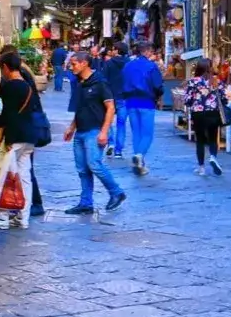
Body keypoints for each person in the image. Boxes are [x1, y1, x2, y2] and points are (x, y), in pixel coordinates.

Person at [0, 51, 43, 230]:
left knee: (4, 175)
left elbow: (5, 115)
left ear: (6, 67)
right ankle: (23, 216)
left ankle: (2, 216)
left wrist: (6, 137)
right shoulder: (28, 86)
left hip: (13, 137)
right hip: (29, 137)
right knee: (24, 177)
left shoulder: (9, 87)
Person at [64, 52, 126, 215]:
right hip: (81, 131)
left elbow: (111, 108)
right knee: (83, 169)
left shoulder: (99, 83)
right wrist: (72, 127)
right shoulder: (80, 83)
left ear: (84, 63)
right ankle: (86, 203)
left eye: (74, 63)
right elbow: (81, 108)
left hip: (94, 130)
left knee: (94, 164)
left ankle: (116, 192)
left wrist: (104, 132)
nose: (72, 67)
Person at [122, 41, 164, 175]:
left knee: (137, 133)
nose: (151, 54)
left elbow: (122, 82)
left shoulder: (127, 66)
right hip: (146, 101)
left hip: (130, 102)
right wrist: (158, 96)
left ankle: (139, 162)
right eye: (151, 51)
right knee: (147, 134)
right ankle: (140, 156)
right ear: (146, 51)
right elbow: (157, 85)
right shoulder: (151, 66)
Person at [182, 58, 225, 176]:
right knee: (213, 137)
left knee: (200, 140)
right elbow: (224, 98)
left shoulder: (193, 82)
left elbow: (187, 99)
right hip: (213, 113)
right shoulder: (216, 81)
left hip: (198, 113)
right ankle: (213, 157)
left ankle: (201, 167)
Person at [103, 41, 130, 158]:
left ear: (117, 50)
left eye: (113, 49)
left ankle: (111, 143)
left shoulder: (108, 63)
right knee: (121, 124)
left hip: (110, 97)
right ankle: (119, 151)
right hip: (124, 97)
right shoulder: (129, 63)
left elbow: (103, 80)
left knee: (108, 122)